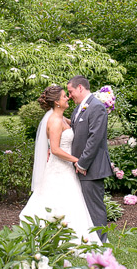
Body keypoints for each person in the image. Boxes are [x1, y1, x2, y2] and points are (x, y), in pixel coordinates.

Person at [19, 85, 100, 245]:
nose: (67, 98)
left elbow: (77, 125)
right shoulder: (55, 121)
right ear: (56, 102)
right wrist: (76, 160)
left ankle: (66, 236)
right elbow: (55, 149)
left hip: (64, 168)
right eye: (64, 96)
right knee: (63, 199)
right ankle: (63, 238)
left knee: (67, 201)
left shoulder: (62, 118)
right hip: (59, 168)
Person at [67, 75, 113, 243]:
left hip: (91, 167)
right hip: (81, 167)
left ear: (80, 88)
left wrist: (82, 163)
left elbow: (95, 139)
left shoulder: (97, 107)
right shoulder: (79, 108)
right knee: (85, 206)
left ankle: (101, 241)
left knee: (94, 206)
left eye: (70, 91)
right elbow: (75, 130)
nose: (69, 95)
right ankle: (89, 238)